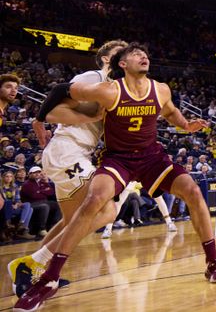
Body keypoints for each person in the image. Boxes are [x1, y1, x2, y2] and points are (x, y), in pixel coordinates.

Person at [15, 44, 216, 312]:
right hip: (117, 159)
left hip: (152, 157)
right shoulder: (107, 89)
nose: (144, 56)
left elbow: (170, 111)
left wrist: (186, 125)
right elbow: (61, 90)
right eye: (135, 54)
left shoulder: (161, 89)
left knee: (193, 191)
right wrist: (39, 118)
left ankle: (214, 262)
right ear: (122, 64)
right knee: (95, 201)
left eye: (145, 54)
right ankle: (48, 279)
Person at [8, 40, 127, 296]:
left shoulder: (113, 89)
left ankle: (35, 272)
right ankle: (29, 263)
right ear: (107, 59)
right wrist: (89, 117)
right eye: (119, 55)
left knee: (71, 222)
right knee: (108, 210)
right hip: (67, 151)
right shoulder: (93, 77)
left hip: (72, 154)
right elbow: (54, 111)